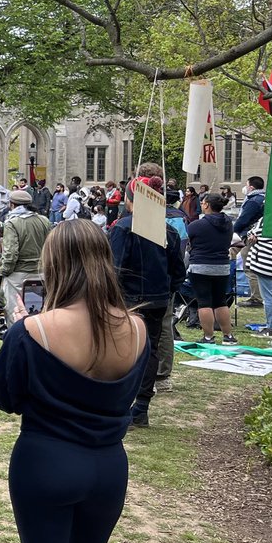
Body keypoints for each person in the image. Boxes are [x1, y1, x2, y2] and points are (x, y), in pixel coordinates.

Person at [0, 220, 147, 543]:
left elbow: (3, 396)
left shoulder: (34, 331)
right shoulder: (136, 328)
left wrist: (22, 332)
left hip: (46, 461)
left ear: (54, 264)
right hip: (108, 467)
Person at [108, 177, 186, 428]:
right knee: (149, 351)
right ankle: (140, 407)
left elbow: (114, 268)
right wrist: (166, 292)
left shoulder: (122, 228)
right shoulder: (170, 231)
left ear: (131, 200)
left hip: (129, 300)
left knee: (123, 351)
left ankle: (124, 405)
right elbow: (178, 271)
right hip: (157, 300)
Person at [187, 193, 239, 344]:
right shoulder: (228, 222)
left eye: (202, 202)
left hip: (200, 266)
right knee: (220, 301)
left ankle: (208, 336)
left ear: (207, 205)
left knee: (204, 302)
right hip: (222, 266)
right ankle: (228, 335)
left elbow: (188, 240)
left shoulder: (197, 225)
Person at [0, 189, 51, 325]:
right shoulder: (44, 221)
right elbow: (51, 247)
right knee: (39, 314)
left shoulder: (12, 223)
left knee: (15, 313)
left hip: (18, 275)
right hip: (41, 272)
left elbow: (10, 253)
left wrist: (5, 272)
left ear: (12, 205)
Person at [234, 176, 266, 306]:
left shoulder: (253, 201)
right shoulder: (264, 198)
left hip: (250, 235)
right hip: (259, 235)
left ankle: (256, 298)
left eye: (246, 185)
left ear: (251, 187)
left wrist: (233, 229)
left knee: (249, 266)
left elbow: (244, 219)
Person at [246, 220, 272, 338]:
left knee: (269, 297)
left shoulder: (267, 220)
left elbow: (254, 233)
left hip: (266, 263)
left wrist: (251, 234)